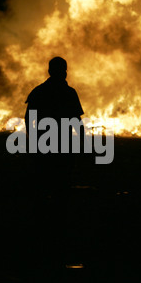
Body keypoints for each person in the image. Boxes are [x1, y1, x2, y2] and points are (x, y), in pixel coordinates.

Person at [24, 57, 84, 199]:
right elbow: (77, 120)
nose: (63, 73)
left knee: (44, 182)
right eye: (62, 70)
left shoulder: (38, 92)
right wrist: (82, 141)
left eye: (64, 70)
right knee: (61, 183)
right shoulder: (69, 93)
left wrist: (33, 139)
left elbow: (28, 118)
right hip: (63, 145)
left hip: (45, 144)